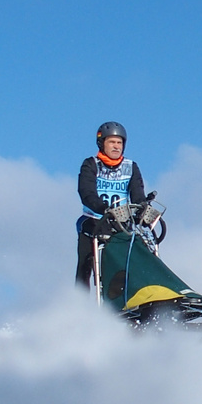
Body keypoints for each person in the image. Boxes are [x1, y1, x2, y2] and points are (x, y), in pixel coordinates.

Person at [76, 121, 146, 290]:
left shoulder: (131, 167)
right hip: (94, 220)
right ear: (102, 143)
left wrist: (141, 209)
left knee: (143, 251)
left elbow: (137, 194)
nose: (116, 147)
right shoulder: (91, 164)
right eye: (112, 142)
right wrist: (102, 208)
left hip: (121, 223)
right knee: (86, 260)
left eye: (119, 142)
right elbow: (86, 193)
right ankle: (80, 301)